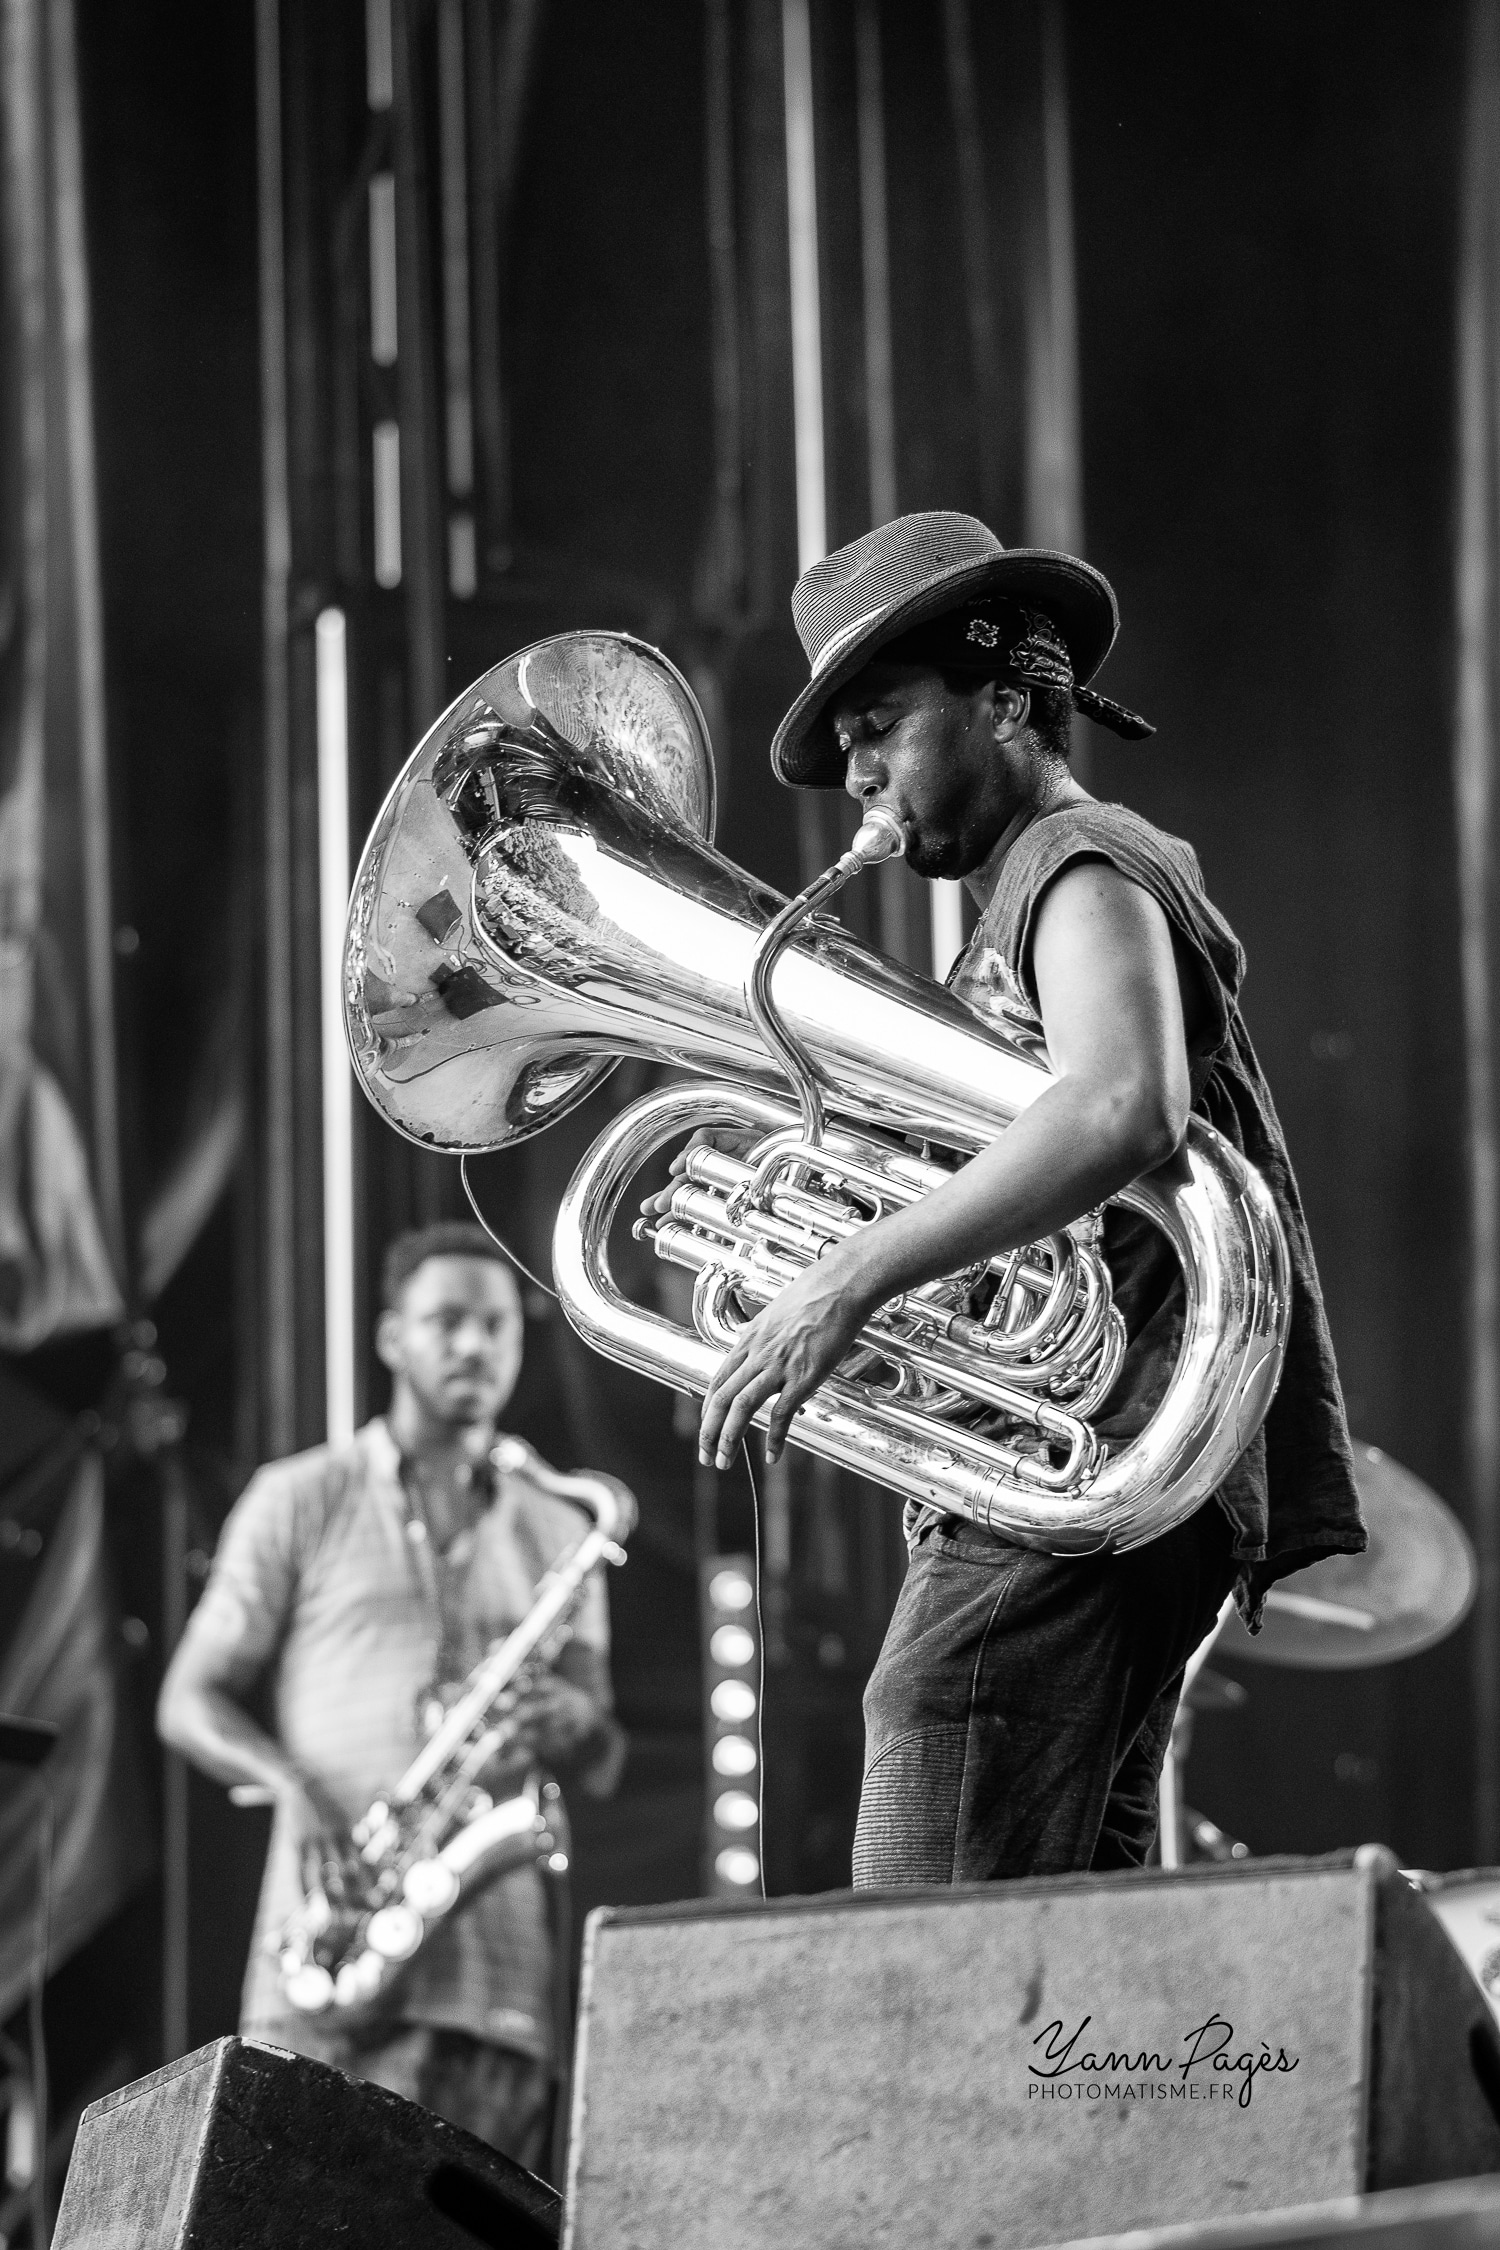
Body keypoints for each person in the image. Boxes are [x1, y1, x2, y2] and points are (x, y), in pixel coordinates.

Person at [682, 510, 1364, 1886]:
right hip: (1103, 1460)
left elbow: (1122, 1105)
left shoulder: (1079, 859)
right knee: (1071, 1979)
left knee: (931, 1904)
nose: (859, 771)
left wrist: (852, 1270)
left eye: (881, 721)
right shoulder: (1025, 897)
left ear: (1006, 697)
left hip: (1101, 1453)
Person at [157, 1220, 625, 2170]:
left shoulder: (561, 1524)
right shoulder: (300, 1496)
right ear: (390, 1339)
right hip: (327, 1967)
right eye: (445, 1321)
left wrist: (579, 1726)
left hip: (500, 1991)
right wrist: (293, 1791)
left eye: (496, 1326)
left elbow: (606, 1760)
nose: (473, 1346)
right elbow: (188, 1700)